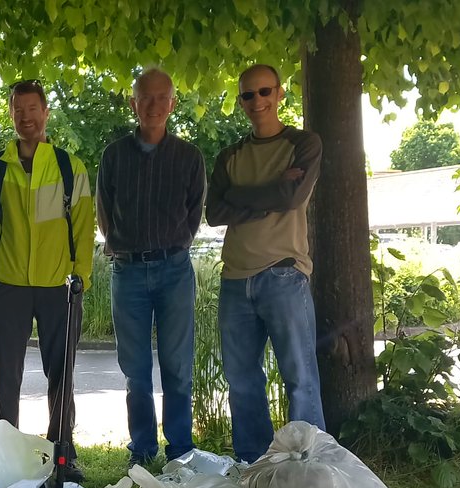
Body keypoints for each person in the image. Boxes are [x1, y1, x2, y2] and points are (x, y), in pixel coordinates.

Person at [0, 79, 96, 481]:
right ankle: (3, 458)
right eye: (18, 110)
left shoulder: (69, 167)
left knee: (62, 374)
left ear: (45, 113)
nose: (26, 117)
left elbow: (84, 228)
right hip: (6, 287)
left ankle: (62, 454)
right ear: (11, 115)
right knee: (5, 379)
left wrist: (80, 277)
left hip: (59, 286)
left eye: (32, 109)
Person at [206, 63, 325, 463]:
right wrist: (272, 190)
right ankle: (253, 468)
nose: (257, 101)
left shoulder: (304, 144)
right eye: (248, 94)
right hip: (235, 279)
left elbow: (291, 199)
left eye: (264, 92)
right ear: (241, 101)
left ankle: (311, 468)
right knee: (241, 383)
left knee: (300, 380)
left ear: (279, 94)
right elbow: (213, 213)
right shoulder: (229, 156)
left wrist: (239, 196)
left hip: (284, 274)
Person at [96, 68, 205, 467]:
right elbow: (104, 213)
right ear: (133, 103)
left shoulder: (189, 157)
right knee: (136, 370)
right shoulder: (113, 156)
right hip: (127, 272)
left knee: (178, 366)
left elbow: (194, 213)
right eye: (146, 97)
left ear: (172, 104)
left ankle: (180, 451)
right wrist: (125, 245)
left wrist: (173, 244)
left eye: (162, 98)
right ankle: (141, 450)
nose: (154, 105)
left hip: (174, 270)